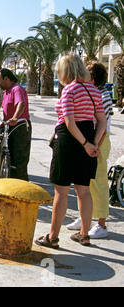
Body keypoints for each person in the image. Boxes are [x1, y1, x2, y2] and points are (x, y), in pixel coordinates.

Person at [35, 53, 107, 249]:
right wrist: (94, 143)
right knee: (84, 190)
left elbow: (69, 121)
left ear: (64, 71)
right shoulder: (94, 90)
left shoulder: (69, 90)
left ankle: (53, 237)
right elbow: (102, 121)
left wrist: (85, 143)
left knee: (61, 191)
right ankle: (84, 234)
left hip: (68, 140)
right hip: (89, 138)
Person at [67, 62, 114, 239]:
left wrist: (95, 145)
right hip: (89, 142)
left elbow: (103, 125)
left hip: (98, 142)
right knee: (83, 182)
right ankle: (84, 217)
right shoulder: (92, 93)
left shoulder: (103, 96)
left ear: (92, 79)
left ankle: (101, 224)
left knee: (98, 182)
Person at [0, 68, 32, 181]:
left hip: (20, 127)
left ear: (6, 78)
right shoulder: (6, 92)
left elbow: (21, 103)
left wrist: (15, 118)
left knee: (19, 160)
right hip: (11, 127)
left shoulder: (17, 89)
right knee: (11, 158)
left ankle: (22, 186)